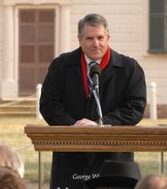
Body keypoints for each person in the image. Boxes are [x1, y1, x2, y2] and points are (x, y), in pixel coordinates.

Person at [40, 13, 147, 188]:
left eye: (100, 37)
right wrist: (73, 125)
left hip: (114, 155)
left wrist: (101, 125)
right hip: (70, 154)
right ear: (79, 39)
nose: (96, 44)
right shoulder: (61, 66)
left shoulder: (129, 68)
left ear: (108, 38)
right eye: (89, 38)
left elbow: (135, 108)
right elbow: (48, 104)